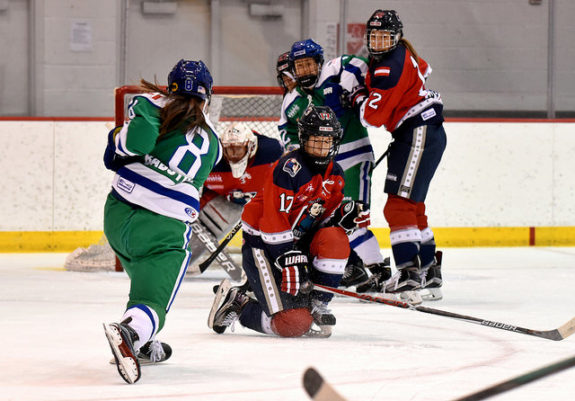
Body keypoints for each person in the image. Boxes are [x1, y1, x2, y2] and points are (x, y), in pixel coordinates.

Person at [102, 59, 222, 384]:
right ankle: (132, 331)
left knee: (141, 277)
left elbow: (134, 144)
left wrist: (116, 139)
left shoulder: (150, 103)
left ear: (169, 87)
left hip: (117, 215)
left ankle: (143, 341)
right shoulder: (213, 140)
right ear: (207, 96)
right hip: (162, 229)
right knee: (154, 298)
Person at [208, 105, 370, 338]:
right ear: (304, 139)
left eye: (327, 141)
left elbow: (325, 223)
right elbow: (272, 221)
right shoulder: (289, 169)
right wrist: (287, 255)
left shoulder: (336, 174)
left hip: (297, 244)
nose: (322, 147)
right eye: (316, 140)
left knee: (337, 238)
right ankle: (240, 303)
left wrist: (344, 217)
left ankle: (317, 303)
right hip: (262, 246)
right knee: (293, 324)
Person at [278, 39, 390, 294]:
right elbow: (288, 135)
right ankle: (359, 268)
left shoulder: (336, 71)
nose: (305, 70)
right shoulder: (292, 101)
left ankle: (380, 271)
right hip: (325, 170)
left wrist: (356, 95)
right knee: (335, 222)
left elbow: (362, 68)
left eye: (309, 64)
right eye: (300, 66)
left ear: (319, 63)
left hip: (355, 157)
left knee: (354, 218)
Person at [354, 10, 447, 300]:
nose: (379, 42)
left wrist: (358, 98)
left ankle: (408, 274)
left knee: (398, 207)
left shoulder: (388, 67)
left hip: (417, 131)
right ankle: (429, 271)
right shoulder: (402, 54)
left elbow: (373, 116)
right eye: (374, 36)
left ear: (396, 38)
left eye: (385, 37)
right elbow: (423, 70)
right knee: (413, 206)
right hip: (421, 130)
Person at [189, 122, 284, 280]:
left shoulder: (271, 151)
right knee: (215, 219)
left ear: (250, 146)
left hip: (264, 204)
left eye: (238, 149)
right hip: (227, 200)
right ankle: (178, 258)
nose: (233, 154)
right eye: (229, 149)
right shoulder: (212, 159)